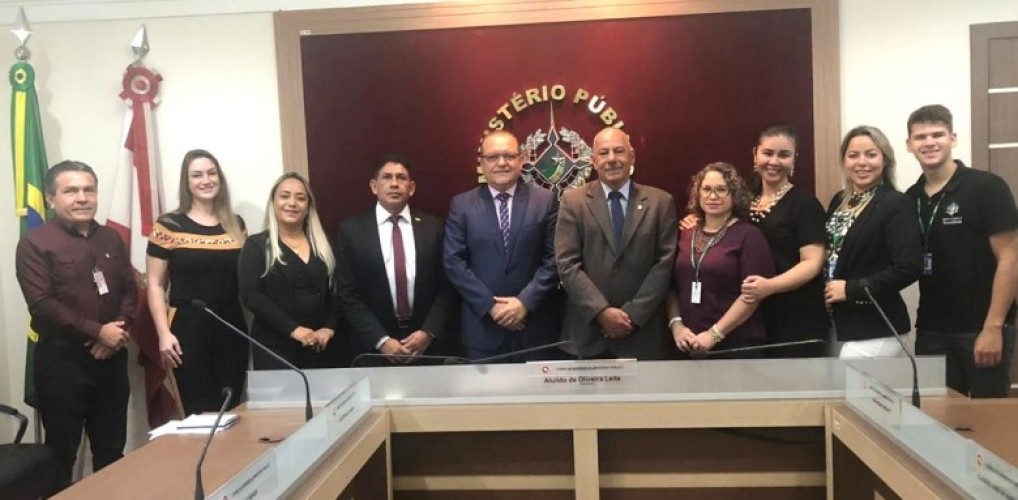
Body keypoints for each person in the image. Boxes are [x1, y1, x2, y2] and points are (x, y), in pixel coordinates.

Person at [15, 161, 135, 489]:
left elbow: (129, 290)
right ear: (51, 198)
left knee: (112, 450)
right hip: (62, 365)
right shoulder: (35, 243)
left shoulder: (110, 238)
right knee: (61, 455)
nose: (82, 198)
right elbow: (42, 304)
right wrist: (99, 332)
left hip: (111, 360)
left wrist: (117, 331)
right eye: (71, 191)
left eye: (88, 190)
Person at [680, 125, 829, 357]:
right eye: (767, 153)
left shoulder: (804, 204)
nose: (774, 161)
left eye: (784, 155)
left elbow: (812, 263)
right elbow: (718, 224)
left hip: (795, 315)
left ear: (794, 159)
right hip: (752, 318)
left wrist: (770, 286)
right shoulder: (745, 201)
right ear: (755, 155)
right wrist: (697, 220)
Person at [904, 104, 1018, 397]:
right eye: (920, 137)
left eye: (937, 134)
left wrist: (993, 327)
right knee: (937, 417)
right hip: (931, 331)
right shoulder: (910, 199)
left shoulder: (987, 187)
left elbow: (1010, 258)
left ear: (952, 138)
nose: (929, 142)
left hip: (981, 328)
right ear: (909, 145)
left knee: (988, 417)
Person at [555, 127, 677, 359]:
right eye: (604, 153)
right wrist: (601, 312)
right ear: (593, 160)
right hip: (587, 333)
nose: (612, 159)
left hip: (642, 333)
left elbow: (664, 264)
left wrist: (633, 315)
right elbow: (567, 264)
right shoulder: (573, 202)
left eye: (619, 151)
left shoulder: (660, 202)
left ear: (632, 157)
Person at [146, 149, 248, 415]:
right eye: (197, 175)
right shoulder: (169, 225)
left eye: (212, 173)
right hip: (188, 326)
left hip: (232, 324)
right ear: (187, 182)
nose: (206, 180)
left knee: (231, 409)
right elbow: (155, 284)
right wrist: (163, 334)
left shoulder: (236, 224)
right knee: (197, 411)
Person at [445, 132, 560, 362]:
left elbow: (555, 258)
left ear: (521, 159)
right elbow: (454, 262)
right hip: (483, 330)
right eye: (492, 157)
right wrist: (491, 306)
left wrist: (524, 302)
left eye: (509, 156)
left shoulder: (545, 201)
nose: (501, 163)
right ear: (481, 163)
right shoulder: (462, 205)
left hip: (534, 328)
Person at [337, 154, 456, 364]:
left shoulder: (434, 227)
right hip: (373, 348)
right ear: (374, 186)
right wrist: (381, 341)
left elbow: (446, 287)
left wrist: (428, 332)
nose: (394, 184)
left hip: (426, 347)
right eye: (386, 177)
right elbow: (348, 294)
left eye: (401, 178)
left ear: (412, 188)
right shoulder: (351, 231)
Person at [824, 126, 922, 358]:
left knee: (853, 381)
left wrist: (851, 289)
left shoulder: (896, 203)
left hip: (876, 325)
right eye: (853, 155)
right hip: (839, 321)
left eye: (871, 154)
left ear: (885, 160)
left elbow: (909, 267)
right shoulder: (839, 200)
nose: (862, 162)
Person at [668, 162, 775, 358]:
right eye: (706, 189)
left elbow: (752, 295)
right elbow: (671, 287)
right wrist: (676, 325)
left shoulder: (749, 236)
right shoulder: (685, 234)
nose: (713, 196)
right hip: (688, 342)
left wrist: (715, 334)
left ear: (734, 194)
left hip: (737, 344)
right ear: (698, 194)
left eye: (721, 190)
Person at [239, 172, 345, 369]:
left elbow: (337, 292)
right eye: (284, 196)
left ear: (308, 207)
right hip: (275, 350)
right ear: (273, 202)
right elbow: (251, 296)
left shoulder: (323, 245)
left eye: (300, 198)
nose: (292, 203)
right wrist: (294, 330)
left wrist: (329, 327)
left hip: (321, 348)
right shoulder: (256, 245)